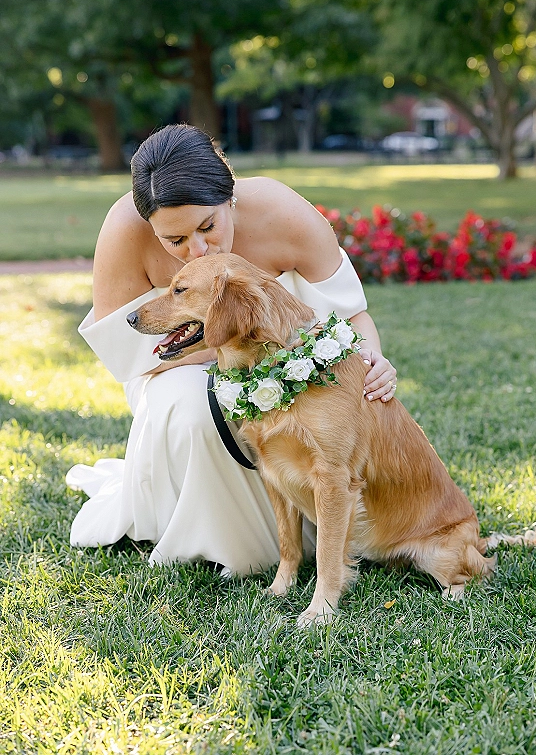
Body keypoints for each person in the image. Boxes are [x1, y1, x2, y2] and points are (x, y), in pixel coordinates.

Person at [66, 124, 397, 574]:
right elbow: (128, 358)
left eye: (208, 226)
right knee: (197, 408)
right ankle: (234, 545)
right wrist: (224, 343)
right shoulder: (124, 232)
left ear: (229, 193)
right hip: (170, 369)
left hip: (286, 358)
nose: (197, 250)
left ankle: (324, 525)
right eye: (175, 241)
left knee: (325, 418)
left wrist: (373, 360)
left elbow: (352, 314)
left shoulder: (284, 212)